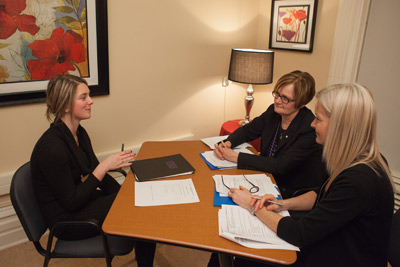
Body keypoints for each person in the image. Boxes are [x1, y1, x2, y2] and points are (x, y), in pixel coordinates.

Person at [230, 83, 394, 267]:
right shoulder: (358, 159)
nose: (312, 123)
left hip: (338, 257)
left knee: (248, 257)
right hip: (329, 243)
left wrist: (252, 205)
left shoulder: (359, 179)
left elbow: (300, 234)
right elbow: (321, 194)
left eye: (318, 118)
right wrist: (279, 204)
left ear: (340, 126)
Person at [31, 74, 156, 266]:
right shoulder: (52, 149)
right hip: (66, 222)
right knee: (141, 208)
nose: (91, 101)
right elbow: (72, 201)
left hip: (82, 204)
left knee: (136, 199)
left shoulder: (78, 133)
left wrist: (124, 195)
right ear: (65, 105)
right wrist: (105, 166)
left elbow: (96, 174)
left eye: (89, 95)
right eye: (83, 97)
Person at [214, 70, 327, 199]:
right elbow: (247, 131)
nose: (278, 101)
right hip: (264, 177)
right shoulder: (273, 112)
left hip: (288, 190)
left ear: (301, 103)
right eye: (277, 94)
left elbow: (280, 165)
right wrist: (228, 143)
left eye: (285, 98)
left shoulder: (308, 128)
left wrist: (236, 157)